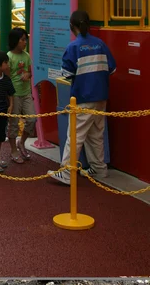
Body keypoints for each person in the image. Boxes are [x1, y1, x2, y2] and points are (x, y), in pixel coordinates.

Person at [48, 10, 116, 185]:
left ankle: (67, 173)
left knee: (75, 136)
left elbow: (67, 74)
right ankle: (99, 169)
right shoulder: (100, 44)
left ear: (72, 26)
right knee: (96, 135)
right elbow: (112, 69)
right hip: (101, 96)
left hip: (83, 97)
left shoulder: (73, 47)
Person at [7, 27, 36, 164]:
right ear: (15, 41)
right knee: (13, 124)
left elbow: (30, 72)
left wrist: (28, 75)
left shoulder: (27, 56)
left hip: (26, 93)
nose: (25, 42)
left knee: (32, 119)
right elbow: (6, 78)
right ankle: (13, 150)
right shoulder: (9, 57)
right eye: (22, 40)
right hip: (15, 95)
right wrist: (9, 98)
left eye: (26, 39)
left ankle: (22, 142)